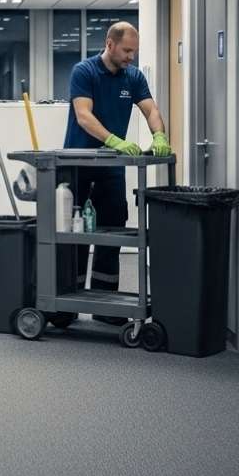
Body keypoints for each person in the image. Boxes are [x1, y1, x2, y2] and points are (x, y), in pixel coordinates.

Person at [63, 21, 171, 324]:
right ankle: (65, 305)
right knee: (72, 234)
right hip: (78, 164)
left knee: (112, 230)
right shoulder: (84, 71)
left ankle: (105, 306)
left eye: (134, 51)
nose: (130, 57)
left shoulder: (132, 77)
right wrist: (114, 140)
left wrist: (159, 135)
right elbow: (83, 115)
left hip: (111, 168)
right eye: (126, 50)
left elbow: (151, 109)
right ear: (109, 44)